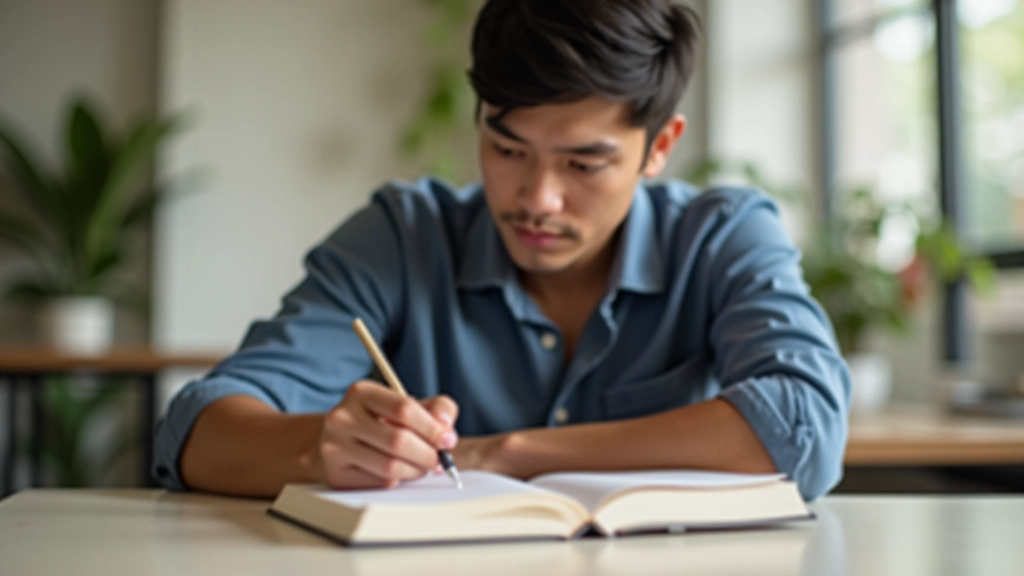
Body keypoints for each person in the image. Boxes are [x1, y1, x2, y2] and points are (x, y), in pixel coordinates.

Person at [154, 0, 850, 501]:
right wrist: (317, 449)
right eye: (507, 148)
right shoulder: (404, 235)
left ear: (659, 146)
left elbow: (804, 424)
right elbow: (197, 429)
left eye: (583, 164)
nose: (538, 199)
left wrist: (508, 453)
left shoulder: (720, 234)